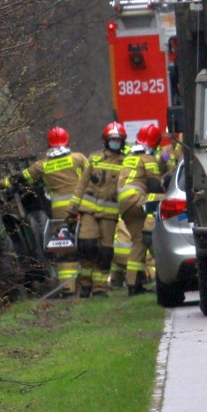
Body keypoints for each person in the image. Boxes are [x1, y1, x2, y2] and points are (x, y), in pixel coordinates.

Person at [0, 126, 88, 297]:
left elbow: (21, 178)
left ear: (49, 144)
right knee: (87, 244)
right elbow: (93, 176)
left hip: (61, 213)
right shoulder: (78, 158)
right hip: (83, 209)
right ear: (67, 141)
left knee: (65, 248)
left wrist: (3, 183)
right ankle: (91, 285)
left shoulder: (43, 166)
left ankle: (68, 288)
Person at [67, 121, 127, 298]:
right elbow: (82, 184)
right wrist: (72, 208)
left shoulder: (126, 163)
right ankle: (85, 284)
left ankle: (100, 288)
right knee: (87, 245)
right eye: (112, 139)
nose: (115, 143)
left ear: (122, 142)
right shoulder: (94, 159)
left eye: (118, 140)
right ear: (105, 141)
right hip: (88, 211)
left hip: (109, 215)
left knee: (106, 252)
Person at [118, 124, 165, 296]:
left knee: (137, 243)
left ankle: (133, 285)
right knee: (164, 200)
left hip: (124, 205)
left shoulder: (129, 156)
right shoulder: (148, 158)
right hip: (136, 199)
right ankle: (149, 229)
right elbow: (154, 186)